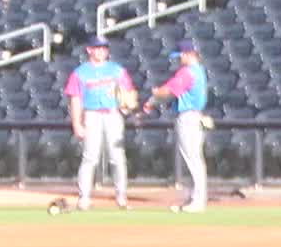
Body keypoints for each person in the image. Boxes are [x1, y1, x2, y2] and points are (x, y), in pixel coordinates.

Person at [64, 36, 133, 211]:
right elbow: (75, 99)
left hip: (112, 114)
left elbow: (128, 93)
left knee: (117, 157)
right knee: (90, 157)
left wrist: (127, 105)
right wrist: (77, 123)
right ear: (89, 50)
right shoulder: (80, 73)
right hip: (92, 115)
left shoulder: (117, 70)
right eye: (98, 48)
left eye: (104, 48)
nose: (101, 51)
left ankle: (121, 197)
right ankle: (84, 198)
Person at [143, 39, 211, 214]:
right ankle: (194, 198)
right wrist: (153, 102)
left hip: (188, 117)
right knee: (193, 159)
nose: (178, 60)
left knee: (193, 159)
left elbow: (168, 91)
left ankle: (198, 201)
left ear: (188, 54)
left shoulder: (188, 72)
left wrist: (155, 94)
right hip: (194, 116)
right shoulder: (198, 70)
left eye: (180, 56)